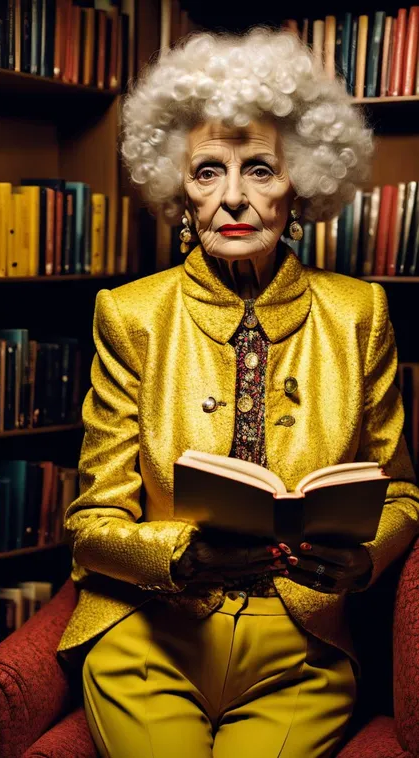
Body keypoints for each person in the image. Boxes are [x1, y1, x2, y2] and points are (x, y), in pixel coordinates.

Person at [57, 28, 419, 758]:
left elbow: (404, 496)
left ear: (302, 183)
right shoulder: (130, 315)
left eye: (259, 169)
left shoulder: (359, 313)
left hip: (301, 652)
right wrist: (181, 558)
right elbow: (92, 520)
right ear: (177, 188)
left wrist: (366, 557)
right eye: (207, 172)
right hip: (147, 635)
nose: (232, 199)